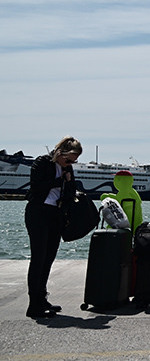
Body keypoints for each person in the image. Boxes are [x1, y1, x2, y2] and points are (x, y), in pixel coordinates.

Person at [24, 136, 83, 318]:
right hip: (38, 212)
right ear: (60, 152)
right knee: (38, 258)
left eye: (74, 161)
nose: (70, 163)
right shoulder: (42, 162)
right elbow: (36, 187)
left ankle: (42, 298)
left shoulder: (67, 168)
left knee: (49, 258)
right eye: (68, 159)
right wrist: (60, 181)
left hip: (55, 214)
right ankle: (33, 304)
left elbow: (70, 189)